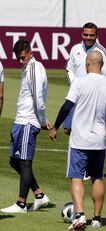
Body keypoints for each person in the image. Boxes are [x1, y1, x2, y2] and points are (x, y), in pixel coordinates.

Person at [49, 50, 106, 230]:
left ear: (87, 62)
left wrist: (56, 127)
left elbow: (67, 107)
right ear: (102, 65)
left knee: (76, 177)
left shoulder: (79, 82)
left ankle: (80, 215)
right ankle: (97, 219)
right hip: (99, 139)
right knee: (97, 178)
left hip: (79, 139)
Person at [0, 39, 52, 213]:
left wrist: (43, 120)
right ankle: (39, 194)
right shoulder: (27, 68)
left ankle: (21, 203)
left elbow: (38, 98)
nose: (20, 61)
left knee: (24, 161)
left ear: (30, 53)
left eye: (23, 58)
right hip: (20, 120)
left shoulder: (35, 69)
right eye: (18, 58)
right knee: (14, 161)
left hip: (28, 121)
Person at [63, 22, 106, 135]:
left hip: (93, 97)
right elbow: (68, 68)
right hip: (76, 95)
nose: (88, 38)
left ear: (97, 35)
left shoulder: (102, 52)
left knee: (89, 130)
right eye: (85, 35)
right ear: (82, 34)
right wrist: (74, 84)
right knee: (68, 129)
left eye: (91, 35)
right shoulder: (75, 49)